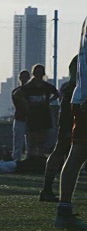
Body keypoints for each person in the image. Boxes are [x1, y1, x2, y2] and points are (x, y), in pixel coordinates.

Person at [55, 18, 87, 230]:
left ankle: (64, 210)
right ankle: (63, 211)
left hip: (82, 97)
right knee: (77, 154)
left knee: (77, 154)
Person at [40, 55, 77, 202]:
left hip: (75, 104)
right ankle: (48, 189)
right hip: (75, 106)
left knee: (66, 150)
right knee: (63, 149)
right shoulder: (80, 58)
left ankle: (48, 189)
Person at [13, 64, 59, 159]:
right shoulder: (29, 86)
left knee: (42, 138)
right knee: (32, 139)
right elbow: (17, 94)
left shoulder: (46, 86)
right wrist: (25, 103)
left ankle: (40, 157)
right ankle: (31, 157)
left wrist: (49, 101)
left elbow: (57, 93)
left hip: (43, 114)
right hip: (32, 115)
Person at [11, 70, 31, 161]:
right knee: (18, 141)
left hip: (29, 119)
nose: (24, 79)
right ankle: (16, 159)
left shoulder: (31, 91)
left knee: (30, 142)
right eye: (23, 77)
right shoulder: (17, 91)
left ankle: (29, 159)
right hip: (20, 118)